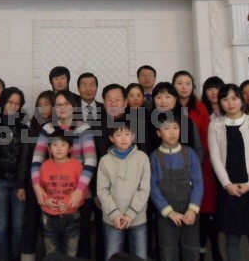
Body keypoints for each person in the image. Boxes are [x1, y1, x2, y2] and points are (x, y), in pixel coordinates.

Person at [208, 84, 249, 261]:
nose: (230, 103)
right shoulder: (215, 125)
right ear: (220, 102)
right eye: (225, 99)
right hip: (228, 187)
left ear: (241, 100)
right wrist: (227, 184)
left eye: (234, 98)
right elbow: (215, 158)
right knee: (231, 238)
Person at [31, 90, 97, 260]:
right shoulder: (47, 128)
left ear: (74, 107)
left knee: (78, 242)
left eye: (66, 104)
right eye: (58, 104)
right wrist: (38, 188)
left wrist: (79, 191)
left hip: (79, 194)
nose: (62, 108)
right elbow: (36, 161)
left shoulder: (83, 128)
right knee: (51, 242)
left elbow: (90, 161)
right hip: (52, 193)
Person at [172, 71, 222, 261]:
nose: (184, 87)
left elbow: (206, 138)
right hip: (173, 168)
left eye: (188, 83)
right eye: (179, 83)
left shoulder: (200, 108)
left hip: (201, 165)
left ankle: (209, 249)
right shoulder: (169, 108)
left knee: (205, 209)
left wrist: (194, 165)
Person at [149, 112, 203, 261]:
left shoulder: (190, 154)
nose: (172, 132)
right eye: (166, 128)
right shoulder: (154, 157)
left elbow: (198, 183)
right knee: (168, 249)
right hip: (166, 212)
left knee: (191, 248)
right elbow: (153, 187)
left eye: (175, 127)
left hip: (189, 209)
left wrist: (193, 210)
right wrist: (169, 212)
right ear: (158, 133)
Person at [0, 87, 29, 261]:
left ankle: (15, 255)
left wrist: (22, 184)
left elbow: (24, 157)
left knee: (18, 224)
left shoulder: (23, 126)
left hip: (18, 183)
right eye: (11, 102)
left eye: (18, 103)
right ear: (4, 102)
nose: (14, 106)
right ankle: (3, 257)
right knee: (1, 224)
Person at [97, 121, 150, 261]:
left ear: (133, 136)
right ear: (111, 138)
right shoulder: (105, 161)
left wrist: (130, 214)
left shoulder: (142, 158)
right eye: (118, 134)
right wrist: (115, 214)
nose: (123, 138)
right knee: (112, 255)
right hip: (112, 219)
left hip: (137, 218)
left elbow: (144, 189)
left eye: (127, 134)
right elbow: (102, 191)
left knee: (140, 256)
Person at [39, 130, 86, 257]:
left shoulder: (77, 166)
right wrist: (46, 200)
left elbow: (83, 191)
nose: (59, 148)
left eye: (63, 144)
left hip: (71, 216)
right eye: (55, 145)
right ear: (49, 148)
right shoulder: (45, 166)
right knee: (51, 252)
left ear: (70, 148)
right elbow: (40, 189)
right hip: (49, 216)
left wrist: (68, 203)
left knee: (71, 251)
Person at [21, 90, 55, 261]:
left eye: (46, 104)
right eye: (39, 105)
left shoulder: (60, 128)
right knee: (32, 223)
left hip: (56, 183)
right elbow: (25, 159)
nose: (42, 108)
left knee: (51, 226)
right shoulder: (31, 128)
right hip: (34, 183)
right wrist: (22, 185)